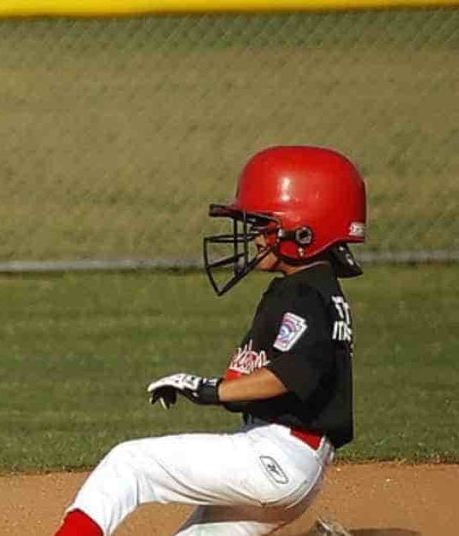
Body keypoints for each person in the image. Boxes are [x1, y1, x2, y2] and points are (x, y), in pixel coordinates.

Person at [55, 145, 366, 536]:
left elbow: (288, 374)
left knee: (129, 463)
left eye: (264, 225)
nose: (255, 237)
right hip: (291, 464)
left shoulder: (302, 295)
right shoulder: (318, 290)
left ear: (305, 229)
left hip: (274, 456)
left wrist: (209, 390)